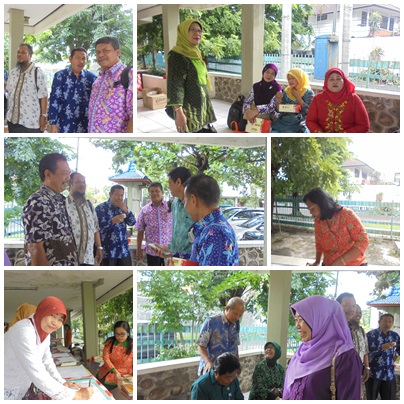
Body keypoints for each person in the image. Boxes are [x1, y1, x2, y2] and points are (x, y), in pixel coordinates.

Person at [4, 296, 93, 400]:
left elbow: (47, 360)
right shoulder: (24, 330)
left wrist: (62, 382)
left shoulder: (44, 332)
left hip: (20, 387)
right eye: (52, 316)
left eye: (60, 320)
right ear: (42, 311)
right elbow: (37, 371)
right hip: (6, 386)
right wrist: (76, 395)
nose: (55, 322)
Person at [283, 295, 362, 400]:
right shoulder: (301, 353)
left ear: (321, 319)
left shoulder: (345, 357)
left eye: (301, 319)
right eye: (296, 320)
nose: (297, 325)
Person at [23, 153, 77, 266]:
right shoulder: (39, 201)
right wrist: (44, 276)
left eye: (69, 173)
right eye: (64, 173)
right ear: (48, 174)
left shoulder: (61, 200)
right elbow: (35, 247)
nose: (68, 178)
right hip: (50, 274)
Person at [167, 19, 217, 133]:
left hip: (201, 105)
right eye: (192, 30)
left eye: (199, 31)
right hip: (188, 109)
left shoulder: (195, 53)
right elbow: (175, 85)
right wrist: (179, 112)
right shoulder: (177, 56)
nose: (197, 33)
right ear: (184, 32)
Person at [303, 188, 369, 266]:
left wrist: (341, 261)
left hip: (354, 265)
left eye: (312, 209)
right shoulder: (319, 221)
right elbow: (319, 243)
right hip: (329, 265)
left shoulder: (347, 215)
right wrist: (317, 262)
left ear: (321, 204)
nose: (310, 213)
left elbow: (363, 241)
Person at [88, 36, 133, 133]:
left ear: (118, 52)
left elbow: (133, 117)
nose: (101, 55)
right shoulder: (97, 81)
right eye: (98, 52)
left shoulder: (129, 75)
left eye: (106, 51)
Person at [306, 67, 370, 133]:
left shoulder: (353, 99)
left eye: (338, 79)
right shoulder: (318, 98)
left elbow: (364, 126)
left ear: (344, 81)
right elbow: (310, 121)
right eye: (331, 79)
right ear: (326, 82)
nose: (335, 82)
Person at [48, 48, 97, 133]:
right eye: (78, 58)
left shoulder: (91, 78)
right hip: (64, 123)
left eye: (83, 58)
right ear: (70, 59)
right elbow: (54, 100)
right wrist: (53, 123)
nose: (81, 61)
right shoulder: (60, 76)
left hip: (84, 124)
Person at [196, 297, 244, 376]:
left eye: (240, 315)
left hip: (229, 370)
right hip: (212, 369)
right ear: (227, 308)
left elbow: (235, 345)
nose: (237, 317)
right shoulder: (211, 321)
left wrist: (237, 363)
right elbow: (201, 345)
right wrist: (208, 362)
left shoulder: (236, 324)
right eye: (235, 314)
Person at [6, 43, 48, 133]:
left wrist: (44, 116)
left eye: (23, 52)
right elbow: (8, 90)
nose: (19, 55)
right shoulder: (13, 73)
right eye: (18, 52)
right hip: (12, 121)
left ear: (30, 55)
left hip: (31, 123)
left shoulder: (38, 73)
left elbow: (44, 96)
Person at [66, 172, 103, 265]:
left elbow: (96, 228)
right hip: (69, 259)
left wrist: (99, 247)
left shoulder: (89, 206)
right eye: (78, 182)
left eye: (83, 182)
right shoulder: (63, 204)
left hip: (88, 258)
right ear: (70, 184)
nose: (82, 185)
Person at [96, 185, 136, 266]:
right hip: (108, 253)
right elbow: (97, 230)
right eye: (117, 195)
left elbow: (132, 222)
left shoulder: (123, 208)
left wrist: (126, 211)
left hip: (124, 252)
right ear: (110, 194)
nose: (120, 198)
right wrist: (112, 221)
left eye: (122, 195)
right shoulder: (101, 208)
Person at [135, 182, 172, 266]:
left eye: (157, 191)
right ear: (149, 194)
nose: (154, 193)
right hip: (152, 251)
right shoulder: (144, 210)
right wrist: (139, 249)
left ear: (162, 192)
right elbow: (140, 231)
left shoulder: (170, 207)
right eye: (152, 191)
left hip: (169, 250)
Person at [366, 313, 400, 400]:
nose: (387, 324)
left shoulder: (395, 336)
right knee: (371, 398)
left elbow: (399, 350)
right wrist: (381, 348)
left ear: (392, 323)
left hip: (389, 374)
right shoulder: (370, 335)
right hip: (373, 374)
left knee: (390, 399)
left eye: (390, 322)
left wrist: (394, 359)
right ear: (379, 322)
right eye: (385, 321)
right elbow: (365, 354)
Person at [272, 68, 314, 133]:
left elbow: (308, 112)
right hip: (283, 121)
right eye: (289, 79)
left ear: (299, 78)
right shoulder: (286, 91)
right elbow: (279, 110)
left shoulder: (308, 93)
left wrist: (298, 97)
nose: (290, 81)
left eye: (293, 78)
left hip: (298, 123)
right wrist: (279, 100)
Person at [242, 63, 282, 128]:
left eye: (272, 74)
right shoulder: (256, 86)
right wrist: (248, 111)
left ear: (275, 76)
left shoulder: (277, 88)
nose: (269, 75)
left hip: (271, 114)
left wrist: (256, 111)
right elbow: (247, 101)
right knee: (249, 114)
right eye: (267, 72)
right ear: (263, 72)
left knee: (260, 116)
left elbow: (272, 106)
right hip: (256, 112)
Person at [97, 321, 133, 392]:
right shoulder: (110, 342)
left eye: (122, 334)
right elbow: (106, 357)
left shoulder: (132, 345)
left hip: (124, 376)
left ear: (128, 333)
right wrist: (115, 371)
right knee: (98, 390)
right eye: (117, 334)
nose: (119, 337)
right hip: (106, 371)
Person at [349, 303, 371, 399]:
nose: (358, 315)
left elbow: (365, 350)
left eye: (360, 312)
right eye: (356, 312)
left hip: (359, 369)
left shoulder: (361, 331)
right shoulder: (345, 330)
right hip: (347, 368)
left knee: (358, 394)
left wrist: (367, 367)